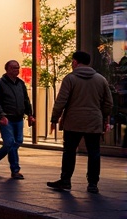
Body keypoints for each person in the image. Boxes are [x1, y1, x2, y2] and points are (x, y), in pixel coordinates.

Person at [47, 50, 113, 193]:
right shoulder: (101, 79)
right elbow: (108, 103)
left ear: (75, 62)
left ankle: (65, 180)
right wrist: (103, 116)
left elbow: (61, 101)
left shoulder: (70, 78)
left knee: (69, 151)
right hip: (94, 122)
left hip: (73, 122)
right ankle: (93, 184)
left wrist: (54, 118)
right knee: (94, 153)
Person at [0, 59, 34, 179]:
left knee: (18, 142)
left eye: (18, 68)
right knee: (9, 142)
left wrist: (30, 114)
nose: (16, 70)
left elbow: (26, 100)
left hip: (18, 118)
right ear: (7, 69)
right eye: (14, 68)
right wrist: (1, 115)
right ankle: (12, 168)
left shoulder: (20, 83)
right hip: (6, 118)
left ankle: (12, 168)